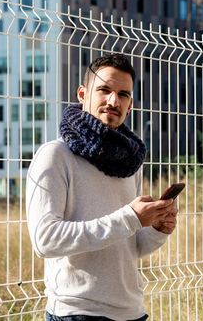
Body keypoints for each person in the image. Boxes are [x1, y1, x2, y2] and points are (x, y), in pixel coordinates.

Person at [26, 53, 177, 321]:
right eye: (104, 90)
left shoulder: (130, 160)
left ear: (130, 105)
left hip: (133, 312)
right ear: (83, 94)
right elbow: (44, 240)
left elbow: (130, 245)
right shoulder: (55, 155)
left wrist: (156, 229)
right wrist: (130, 217)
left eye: (123, 94)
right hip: (77, 314)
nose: (113, 101)